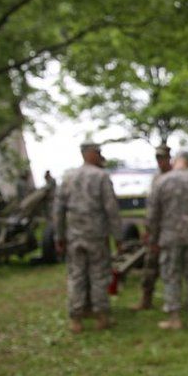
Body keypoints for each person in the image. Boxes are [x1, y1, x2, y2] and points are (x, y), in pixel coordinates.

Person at [55, 141, 123, 333]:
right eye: (98, 152)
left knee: (77, 275)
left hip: (74, 236)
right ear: (90, 154)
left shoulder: (68, 177)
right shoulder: (101, 177)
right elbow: (111, 209)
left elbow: (58, 210)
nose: (101, 156)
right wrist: (118, 237)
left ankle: (77, 318)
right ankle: (101, 316)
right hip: (96, 236)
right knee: (99, 275)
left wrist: (59, 237)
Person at [146, 151, 188, 330]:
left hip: (170, 235)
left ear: (175, 161)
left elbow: (152, 214)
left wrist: (152, 237)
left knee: (171, 275)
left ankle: (174, 318)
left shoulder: (161, 181)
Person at [132, 144, 173, 311]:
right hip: (156, 228)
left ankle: (172, 302)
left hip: (172, 228)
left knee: (172, 267)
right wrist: (147, 229)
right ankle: (145, 299)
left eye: (162, 158)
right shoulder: (156, 178)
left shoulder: (175, 177)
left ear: (169, 158)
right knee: (150, 265)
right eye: (157, 158)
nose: (160, 161)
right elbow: (151, 206)